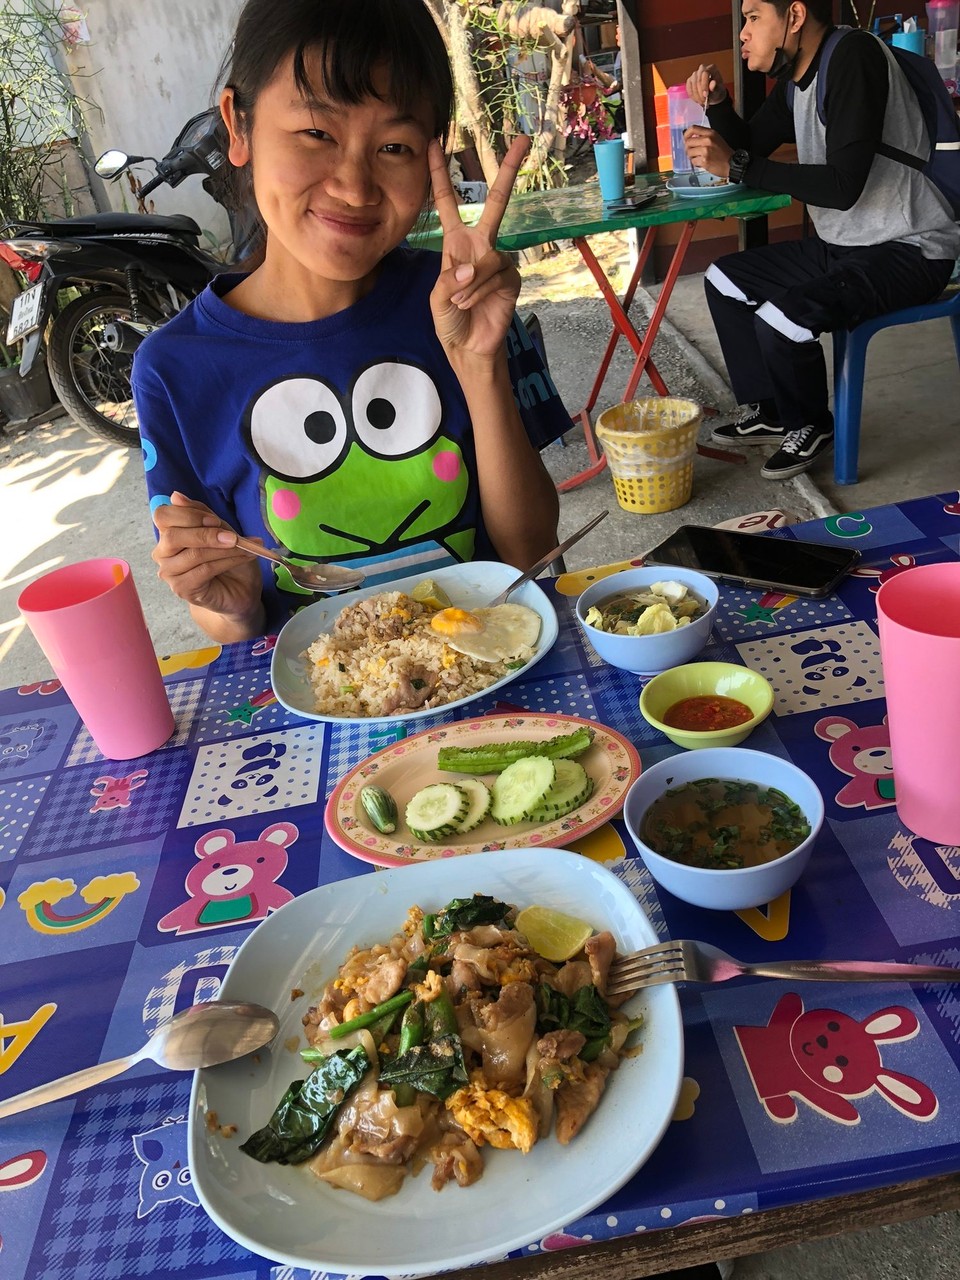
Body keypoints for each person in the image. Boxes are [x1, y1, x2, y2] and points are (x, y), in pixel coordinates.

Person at [132, 0, 565, 644]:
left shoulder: (459, 301)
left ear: (431, 155)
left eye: (394, 146)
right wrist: (232, 603)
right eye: (317, 134)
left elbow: (533, 551)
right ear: (239, 126)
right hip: (329, 715)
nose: (356, 187)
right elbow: (229, 615)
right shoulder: (175, 368)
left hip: (495, 671)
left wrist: (480, 367)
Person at [681, 0, 959, 481]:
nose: (743, 34)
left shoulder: (852, 58)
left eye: (752, 18)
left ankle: (811, 425)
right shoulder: (797, 80)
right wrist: (721, 104)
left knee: (782, 317)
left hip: (911, 246)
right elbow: (749, 146)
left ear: (793, 16)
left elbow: (842, 185)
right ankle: (772, 410)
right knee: (725, 279)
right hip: (845, 245)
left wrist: (739, 166)